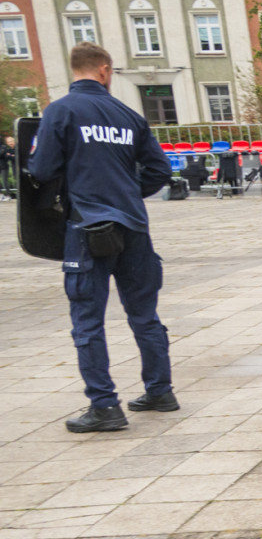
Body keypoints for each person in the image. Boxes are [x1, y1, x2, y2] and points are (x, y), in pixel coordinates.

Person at [28, 42, 178, 433]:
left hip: (87, 229)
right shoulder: (129, 115)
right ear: (105, 71)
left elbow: (41, 169)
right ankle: (160, 390)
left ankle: (104, 406)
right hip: (134, 227)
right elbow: (160, 170)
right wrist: (127, 192)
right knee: (144, 314)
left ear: (76, 69)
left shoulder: (60, 111)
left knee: (87, 321)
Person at [1, 135, 15, 200]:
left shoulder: (4, 147)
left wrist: (10, 155)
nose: (10, 143)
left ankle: (9, 195)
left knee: (5, 181)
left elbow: (3, 155)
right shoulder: (6, 149)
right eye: (9, 142)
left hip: (4, 167)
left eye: (11, 141)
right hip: (4, 165)